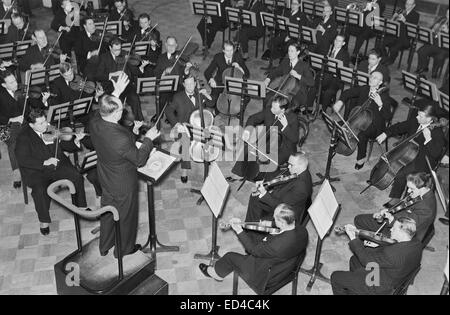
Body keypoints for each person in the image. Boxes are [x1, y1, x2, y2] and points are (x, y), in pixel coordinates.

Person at [89, 73, 161, 257]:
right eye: (121, 110)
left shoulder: (95, 121)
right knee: (126, 218)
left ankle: (105, 246)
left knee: (107, 212)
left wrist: (117, 91)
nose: (124, 111)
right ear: (114, 114)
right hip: (123, 184)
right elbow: (138, 159)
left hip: (106, 176)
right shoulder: (120, 139)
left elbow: (104, 110)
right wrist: (148, 140)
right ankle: (124, 249)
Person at [199, 203, 308, 294]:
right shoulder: (302, 230)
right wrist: (270, 224)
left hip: (266, 276)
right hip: (287, 267)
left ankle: (215, 273)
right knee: (257, 239)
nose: (273, 218)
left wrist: (238, 230)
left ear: (283, 223)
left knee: (230, 257)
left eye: (275, 218)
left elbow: (254, 250)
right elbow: (274, 237)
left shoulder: (277, 245)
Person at [15, 108, 87, 235]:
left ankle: (81, 207)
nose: (46, 125)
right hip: (37, 170)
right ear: (31, 125)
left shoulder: (51, 129)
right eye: (41, 124)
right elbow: (23, 160)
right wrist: (44, 162)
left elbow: (64, 146)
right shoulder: (23, 137)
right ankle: (44, 220)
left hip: (58, 162)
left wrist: (76, 141)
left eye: (45, 121)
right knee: (40, 191)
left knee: (77, 177)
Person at [376, 103, 446, 208]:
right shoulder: (415, 122)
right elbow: (399, 126)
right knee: (391, 161)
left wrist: (428, 139)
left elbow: (435, 154)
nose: (417, 117)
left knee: (400, 173)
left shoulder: (437, 132)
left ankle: (396, 199)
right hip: (410, 152)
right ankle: (387, 184)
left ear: (429, 119)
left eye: (421, 116)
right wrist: (385, 134)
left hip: (424, 159)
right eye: (418, 114)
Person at [330, 217, 423, 295]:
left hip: (379, 285)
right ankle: (355, 289)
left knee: (336, 277)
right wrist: (379, 244)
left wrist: (353, 239)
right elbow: (396, 246)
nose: (391, 229)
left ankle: (359, 287)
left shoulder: (392, 254)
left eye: (394, 229)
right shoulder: (416, 243)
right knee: (354, 260)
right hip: (397, 274)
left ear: (402, 233)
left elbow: (366, 260)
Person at [231, 96, 299, 181]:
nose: (271, 109)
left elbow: (295, 139)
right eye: (272, 106)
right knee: (248, 148)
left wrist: (285, 126)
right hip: (267, 140)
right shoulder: (269, 110)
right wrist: (247, 131)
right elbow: (253, 118)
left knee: (271, 160)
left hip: (284, 146)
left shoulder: (292, 118)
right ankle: (239, 173)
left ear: (282, 110)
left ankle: (265, 182)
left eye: (274, 108)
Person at [354, 172, 437, 243]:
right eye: (408, 188)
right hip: (398, 219)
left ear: (423, 188)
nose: (408, 191)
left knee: (360, 222)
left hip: (404, 233)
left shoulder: (427, 208)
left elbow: (407, 228)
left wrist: (391, 218)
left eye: (411, 189)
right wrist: (388, 211)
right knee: (359, 219)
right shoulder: (419, 193)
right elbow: (404, 206)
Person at [332, 71, 392, 169]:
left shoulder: (384, 96)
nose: (372, 79)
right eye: (371, 76)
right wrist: (340, 101)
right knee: (338, 125)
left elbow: (388, 116)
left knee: (361, 135)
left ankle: (361, 158)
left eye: (375, 78)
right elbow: (347, 92)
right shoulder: (365, 89)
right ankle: (340, 143)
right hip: (359, 120)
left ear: (380, 82)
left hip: (375, 125)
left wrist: (380, 104)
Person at [165, 74, 214, 183]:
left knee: (210, 136)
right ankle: (184, 170)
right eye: (187, 84)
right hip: (184, 127)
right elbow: (168, 111)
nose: (190, 86)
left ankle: (206, 157)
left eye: (192, 83)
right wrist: (177, 124)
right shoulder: (178, 97)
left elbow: (212, 103)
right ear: (184, 85)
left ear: (195, 83)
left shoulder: (199, 94)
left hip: (198, 125)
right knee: (186, 142)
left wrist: (206, 94)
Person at [244, 151, 312, 225]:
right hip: (285, 195)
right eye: (288, 164)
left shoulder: (301, 187)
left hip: (286, 211)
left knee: (255, 199)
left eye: (291, 165)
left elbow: (281, 206)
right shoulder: (302, 171)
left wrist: (265, 194)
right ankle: (251, 223)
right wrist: (265, 183)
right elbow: (283, 178)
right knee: (256, 195)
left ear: (301, 166)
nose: (288, 167)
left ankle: (251, 229)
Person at [95, 38, 144, 121]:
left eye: (119, 49)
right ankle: (117, 123)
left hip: (125, 85)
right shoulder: (103, 57)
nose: (118, 52)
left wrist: (141, 67)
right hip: (111, 86)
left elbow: (134, 71)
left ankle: (139, 122)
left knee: (135, 99)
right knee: (116, 104)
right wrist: (111, 74)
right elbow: (98, 75)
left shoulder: (125, 54)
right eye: (115, 50)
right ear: (110, 48)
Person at [307, 34, 350, 113]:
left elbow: (344, 70)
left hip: (335, 79)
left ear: (343, 43)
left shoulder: (345, 54)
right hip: (324, 75)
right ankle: (309, 107)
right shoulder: (328, 49)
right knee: (313, 87)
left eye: (339, 41)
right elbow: (319, 61)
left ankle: (323, 110)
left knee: (328, 92)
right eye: (336, 40)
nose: (336, 42)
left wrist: (336, 68)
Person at [264, 42, 314, 110]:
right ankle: (266, 118)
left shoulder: (304, 65)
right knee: (267, 98)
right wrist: (268, 79)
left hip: (297, 93)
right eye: (288, 51)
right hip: (283, 89)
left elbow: (311, 82)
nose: (289, 53)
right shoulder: (286, 61)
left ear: (298, 52)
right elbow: (276, 71)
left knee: (282, 105)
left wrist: (298, 76)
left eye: (292, 51)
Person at [204, 40, 250, 115]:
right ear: (223, 50)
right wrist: (211, 80)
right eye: (227, 51)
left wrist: (239, 68)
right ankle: (216, 112)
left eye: (231, 50)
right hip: (220, 83)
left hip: (234, 83)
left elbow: (247, 74)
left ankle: (239, 112)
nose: (230, 53)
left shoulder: (238, 57)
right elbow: (207, 72)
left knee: (247, 97)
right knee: (212, 102)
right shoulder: (218, 57)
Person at [382, 0, 420, 66]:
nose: (407, 6)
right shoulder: (400, 11)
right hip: (395, 35)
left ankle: (391, 60)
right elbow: (392, 22)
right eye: (406, 4)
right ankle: (385, 58)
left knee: (394, 48)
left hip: (405, 38)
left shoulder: (416, 15)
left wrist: (405, 21)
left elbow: (412, 28)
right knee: (382, 43)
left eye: (409, 4)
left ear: (414, 6)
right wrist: (393, 18)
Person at [416, 9, 449, 78]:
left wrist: (447, 31)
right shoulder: (442, 19)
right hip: (434, 43)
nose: (447, 16)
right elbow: (431, 28)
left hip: (445, 47)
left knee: (440, 56)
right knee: (421, 51)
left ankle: (435, 71)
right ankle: (423, 67)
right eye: (447, 14)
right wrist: (431, 30)